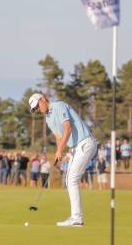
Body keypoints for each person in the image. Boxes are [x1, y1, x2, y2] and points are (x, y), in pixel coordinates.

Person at [29, 93, 97, 227]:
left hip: (85, 143)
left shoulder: (58, 106)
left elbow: (68, 128)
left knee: (71, 179)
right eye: (35, 109)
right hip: (76, 147)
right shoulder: (48, 119)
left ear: (42, 99)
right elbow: (59, 136)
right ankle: (75, 217)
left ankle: (77, 218)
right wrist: (58, 151)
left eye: (37, 106)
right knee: (69, 180)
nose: (37, 110)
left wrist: (61, 150)